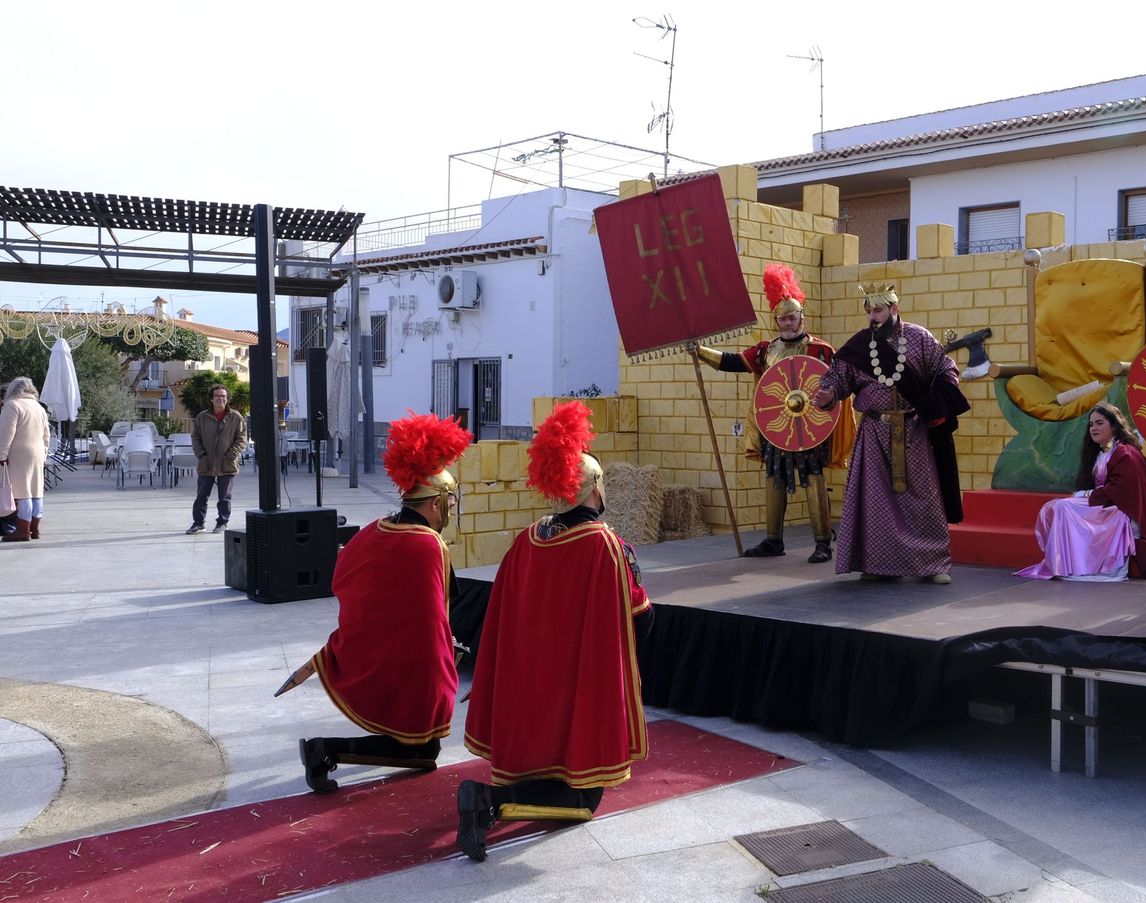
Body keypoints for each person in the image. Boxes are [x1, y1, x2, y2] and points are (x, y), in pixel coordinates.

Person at [456, 400, 653, 863]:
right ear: (594, 490)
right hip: (578, 693)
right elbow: (640, 618)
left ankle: (504, 791)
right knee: (585, 801)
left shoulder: (524, 540)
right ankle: (487, 803)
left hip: (525, 694)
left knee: (538, 772)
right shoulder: (606, 545)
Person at [294, 412, 473, 794]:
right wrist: (443, 667)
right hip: (406, 665)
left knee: (423, 752)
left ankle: (326, 751)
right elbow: (433, 618)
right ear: (436, 505)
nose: (449, 512)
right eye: (448, 503)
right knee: (426, 753)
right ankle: (324, 750)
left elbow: (344, 580)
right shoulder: (428, 544)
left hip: (371, 651)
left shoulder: (375, 527)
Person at [693, 263, 852, 563]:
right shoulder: (767, 350)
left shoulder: (820, 350)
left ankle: (822, 542)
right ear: (775, 320)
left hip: (809, 426)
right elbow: (733, 362)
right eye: (783, 318)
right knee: (774, 478)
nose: (788, 323)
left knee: (814, 478)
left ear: (802, 317)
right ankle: (773, 540)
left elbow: (838, 384)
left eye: (793, 317)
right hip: (778, 427)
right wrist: (700, 351)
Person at [811, 283, 969, 584]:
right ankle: (878, 565)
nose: (873, 316)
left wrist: (938, 397)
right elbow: (838, 378)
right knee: (876, 501)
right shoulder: (859, 344)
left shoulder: (919, 337)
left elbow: (946, 367)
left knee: (923, 497)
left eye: (878, 310)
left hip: (914, 430)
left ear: (894, 309)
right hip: (873, 432)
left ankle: (932, 565)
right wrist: (828, 394)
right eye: (869, 311)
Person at [1016, 402, 1146, 581]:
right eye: (1091, 424)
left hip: (1123, 511)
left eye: (1099, 423)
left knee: (1064, 508)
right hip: (1107, 504)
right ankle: (1069, 564)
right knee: (1059, 506)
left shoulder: (1125, 453)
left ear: (1114, 426)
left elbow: (1121, 490)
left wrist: (1086, 495)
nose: (1093, 428)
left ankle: (1077, 565)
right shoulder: (1101, 452)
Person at [188, 384, 247, 534]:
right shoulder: (202, 417)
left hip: (226, 464)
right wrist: (201, 454)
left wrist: (231, 455)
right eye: (217, 396)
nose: (220, 398)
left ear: (227, 399)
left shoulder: (236, 417)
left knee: (224, 497)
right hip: (206, 463)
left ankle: (222, 522)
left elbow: (242, 439)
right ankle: (198, 523)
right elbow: (195, 437)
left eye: (223, 396)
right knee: (201, 496)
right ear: (211, 399)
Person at [0, 377, 50, 543]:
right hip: (37, 453)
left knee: (22, 492)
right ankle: (35, 529)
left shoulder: (12, 405)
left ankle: (23, 530)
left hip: (19, 453)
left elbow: (6, 434)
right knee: (36, 492)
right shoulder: (38, 407)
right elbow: (46, 435)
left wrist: (1, 455)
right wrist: (44, 451)